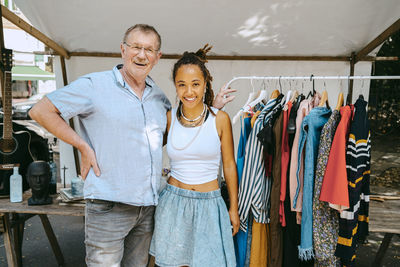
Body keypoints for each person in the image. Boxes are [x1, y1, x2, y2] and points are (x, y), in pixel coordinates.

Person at [29, 24, 234, 266]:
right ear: (123, 50)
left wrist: (213, 111)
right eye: (136, 47)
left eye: (149, 49)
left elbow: (182, 135)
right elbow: (41, 111)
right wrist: (82, 146)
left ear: (157, 58)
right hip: (109, 206)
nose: (141, 54)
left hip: (147, 208)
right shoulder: (95, 85)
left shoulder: (159, 98)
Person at [149, 45, 239, 267]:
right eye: (182, 85)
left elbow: (229, 165)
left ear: (205, 84)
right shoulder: (169, 118)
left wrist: (233, 208)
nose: (189, 92)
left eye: (195, 84)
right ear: (176, 87)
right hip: (173, 203)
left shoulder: (220, 119)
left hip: (209, 205)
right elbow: (146, 150)